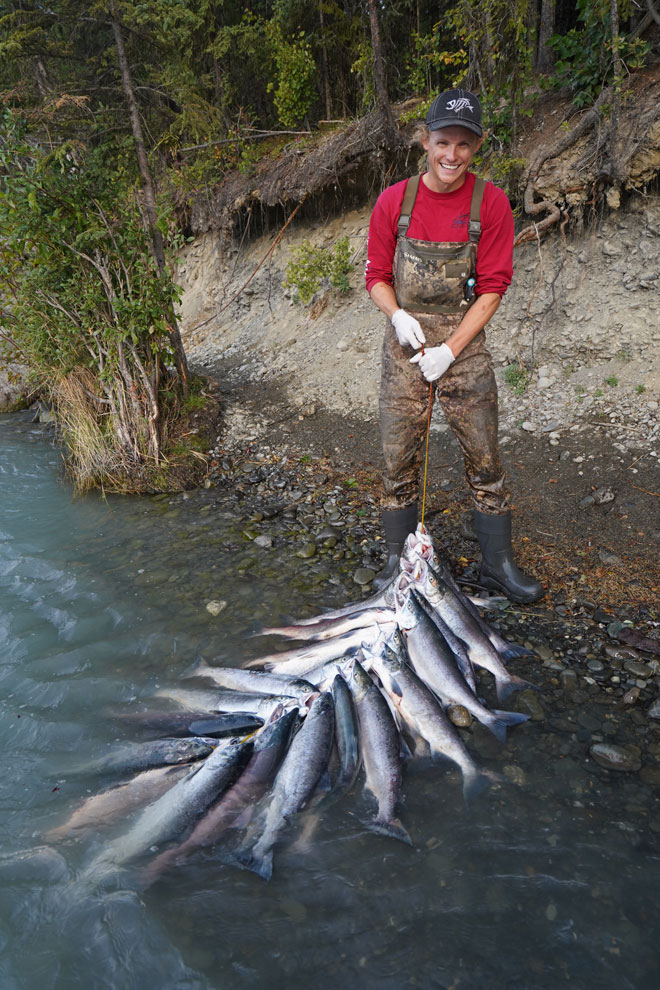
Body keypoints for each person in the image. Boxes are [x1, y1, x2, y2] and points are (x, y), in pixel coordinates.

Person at [365, 88, 544, 603]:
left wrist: (452, 348)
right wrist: (397, 315)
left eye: (463, 145)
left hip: (464, 348)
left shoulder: (490, 202)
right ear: (425, 140)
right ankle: (398, 566)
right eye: (443, 141)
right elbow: (377, 276)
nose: (451, 155)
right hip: (405, 348)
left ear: (476, 146)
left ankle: (497, 565)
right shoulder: (393, 201)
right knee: (397, 459)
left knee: (485, 457)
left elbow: (493, 288)